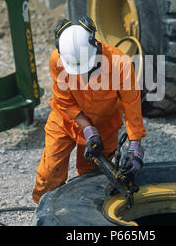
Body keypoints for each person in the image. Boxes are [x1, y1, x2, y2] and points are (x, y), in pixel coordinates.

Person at [32, 15, 146, 204]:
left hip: (105, 125)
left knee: (94, 178)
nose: (83, 75)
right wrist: (87, 127)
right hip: (64, 121)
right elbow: (64, 101)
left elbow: (132, 106)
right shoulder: (57, 60)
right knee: (50, 173)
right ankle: (44, 213)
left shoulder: (120, 64)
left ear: (95, 46)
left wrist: (135, 147)